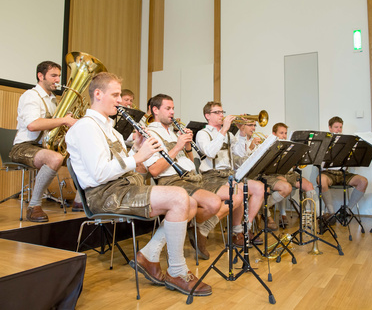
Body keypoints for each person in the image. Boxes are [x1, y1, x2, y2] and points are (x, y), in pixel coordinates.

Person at [65, 73, 211, 296]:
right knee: (180, 197)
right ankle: (177, 271)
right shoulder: (86, 127)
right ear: (98, 94)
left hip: (123, 188)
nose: (119, 100)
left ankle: (149, 255)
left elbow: (135, 170)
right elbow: (98, 174)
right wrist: (137, 157)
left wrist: (137, 149)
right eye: (115, 95)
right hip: (104, 195)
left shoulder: (110, 129)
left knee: (189, 202)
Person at [144, 94, 235, 260]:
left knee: (227, 198)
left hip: (190, 178)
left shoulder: (172, 132)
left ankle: (193, 225)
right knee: (214, 202)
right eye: (168, 108)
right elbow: (155, 171)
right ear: (155, 110)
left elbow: (190, 163)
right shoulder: (150, 133)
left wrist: (186, 146)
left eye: (173, 108)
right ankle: (194, 226)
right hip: (171, 181)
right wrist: (178, 146)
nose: (172, 112)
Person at [9, 61, 78, 222]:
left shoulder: (53, 100)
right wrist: (63, 121)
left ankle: (80, 201)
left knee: (80, 154)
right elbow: (33, 125)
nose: (57, 80)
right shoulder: (31, 96)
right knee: (55, 158)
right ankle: (34, 206)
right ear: (41, 76)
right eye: (53, 76)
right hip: (23, 147)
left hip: (44, 147)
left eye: (59, 76)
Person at [195, 101, 265, 247]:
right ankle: (230, 230)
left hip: (229, 174)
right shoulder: (202, 134)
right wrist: (224, 129)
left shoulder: (227, 135)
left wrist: (241, 132)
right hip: (211, 176)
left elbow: (241, 153)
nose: (222, 115)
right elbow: (210, 152)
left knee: (259, 187)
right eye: (217, 112)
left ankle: (246, 228)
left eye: (222, 112)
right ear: (207, 116)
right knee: (238, 192)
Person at [237, 121, 292, 230]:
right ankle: (263, 215)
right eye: (250, 125)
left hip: (263, 174)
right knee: (264, 190)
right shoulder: (237, 141)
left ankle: (262, 208)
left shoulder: (257, 141)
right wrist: (251, 148)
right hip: (249, 176)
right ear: (242, 127)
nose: (253, 128)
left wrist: (268, 146)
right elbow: (241, 163)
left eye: (254, 125)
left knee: (286, 186)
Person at [317, 117, 368, 220]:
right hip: (328, 173)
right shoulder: (324, 141)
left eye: (340, 127)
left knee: (363, 181)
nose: (338, 130)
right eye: (336, 127)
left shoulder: (347, 142)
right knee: (321, 180)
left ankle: (347, 210)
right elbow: (319, 162)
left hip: (342, 172)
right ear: (330, 128)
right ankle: (331, 213)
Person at [272, 122, 319, 227]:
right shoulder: (272, 146)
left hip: (290, 174)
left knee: (309, 186)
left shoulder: (290, 145)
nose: (284, 135)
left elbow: (294, 165)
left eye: (285, 133)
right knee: (284, 184)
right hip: (277, 174)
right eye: (281, 133)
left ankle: (313, 215)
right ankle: (283, 215)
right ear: (274, 134)